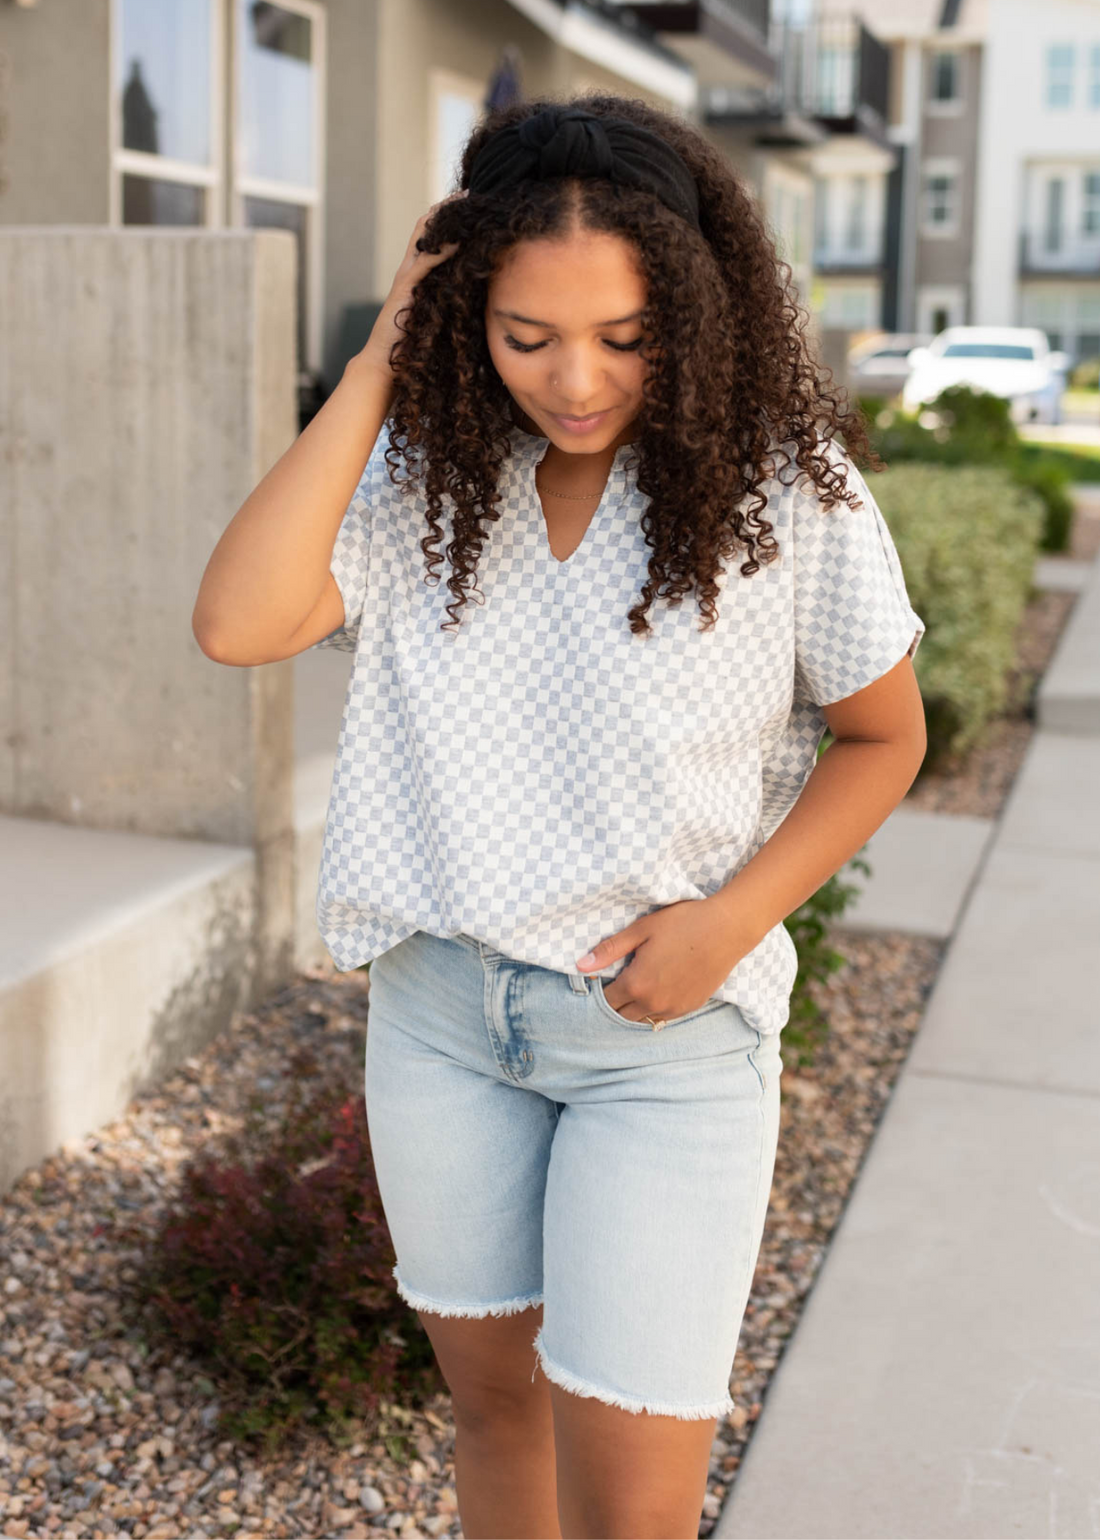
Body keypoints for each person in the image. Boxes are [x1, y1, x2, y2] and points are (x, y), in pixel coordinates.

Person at [193, 95, 926, 1540]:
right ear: (462, 312)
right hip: (441, 1019)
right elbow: (238, 622)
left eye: (625, 336)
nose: (574, 381)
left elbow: (883, 736)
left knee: (633, 1508)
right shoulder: (421, 481)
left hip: (662, 1043)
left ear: (696, 312)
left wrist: (732, 921)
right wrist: (378, 367)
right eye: (525, 336)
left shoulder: (789, 492)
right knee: (496, 1414)